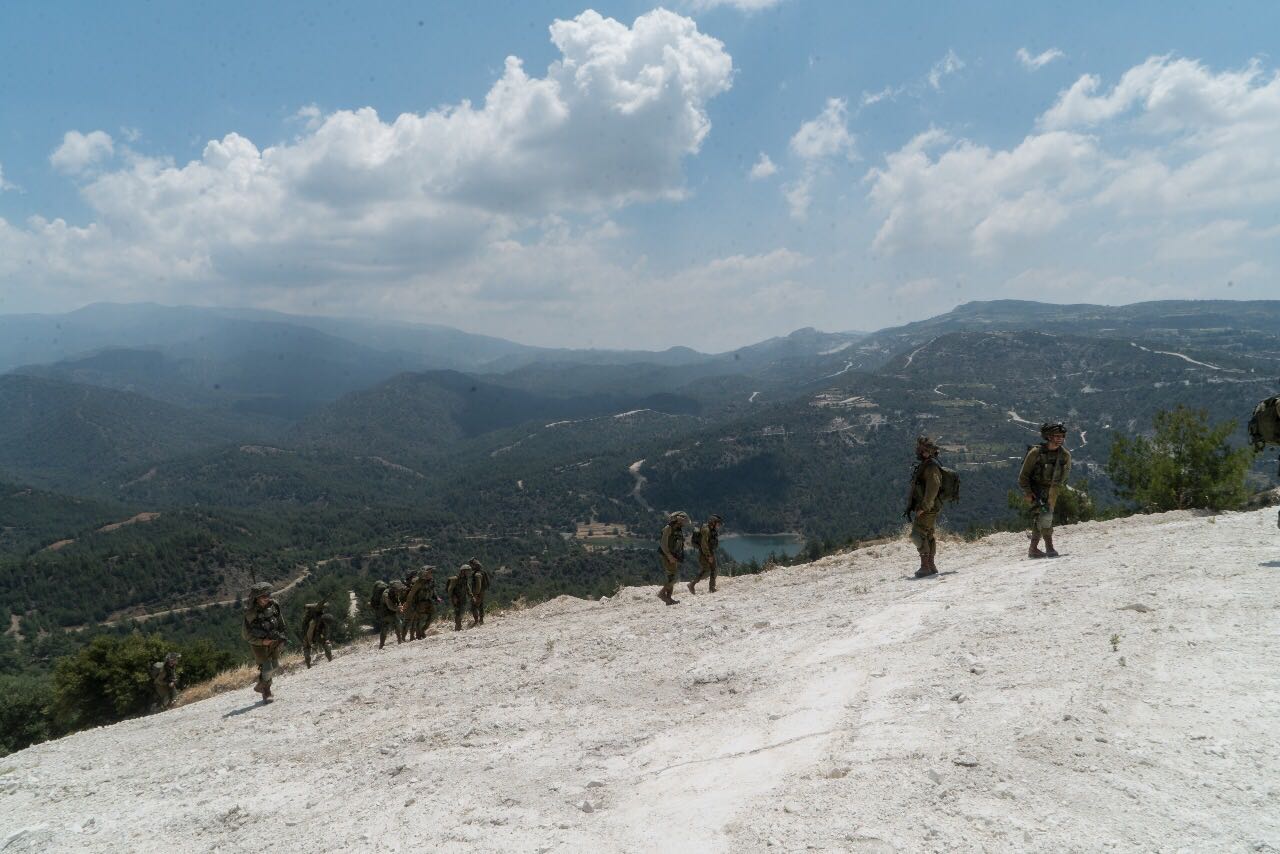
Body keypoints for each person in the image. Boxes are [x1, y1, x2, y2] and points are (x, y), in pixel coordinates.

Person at [1019, 422, 1073, 558]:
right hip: (1036, 492)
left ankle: (1033, 549)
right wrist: (1028, 492)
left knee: (1041, 518)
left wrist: (1055, 491)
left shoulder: (1065, 455)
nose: (1060, 438)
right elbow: (1023, 476)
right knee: (1046, 516)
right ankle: (1049, 547)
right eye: (1056, 436)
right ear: (1048, 437)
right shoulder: (1036, 453)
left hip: (1052, 493)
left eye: (1062, 436)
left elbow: (1064, 475)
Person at [243, 582, 287, 702]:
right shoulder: (250, 613)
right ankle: (266, 692)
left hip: (273, 640)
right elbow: (246, 635)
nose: (267, 598)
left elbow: (281, 622)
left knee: (275, 665)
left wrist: (282, 637)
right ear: (257, 598)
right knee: (267, 668)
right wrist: (262, 642)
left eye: (268, 594)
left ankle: (260, 686)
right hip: (259, 644)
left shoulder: (274, 606)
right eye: (264, 596)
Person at [907, 436, 944, 578]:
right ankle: (931, 565)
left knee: (917, 534)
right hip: (929, 507)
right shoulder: (928, 465)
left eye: (920, 448)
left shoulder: (931, 467)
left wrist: (924, 506)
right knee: (927, 534)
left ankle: (925, 566)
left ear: (926, 451)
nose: (917, 450)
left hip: (928, 508)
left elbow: (933, 488)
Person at [658, 512, 689, 605]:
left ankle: (669, 599)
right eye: (683, 521)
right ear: (678, 520)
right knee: (674, 577)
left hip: (674, 555)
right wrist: (669, 556)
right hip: (668, 555)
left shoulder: (678, 529)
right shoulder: (668, 528)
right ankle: (662, 594)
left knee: (671, 576)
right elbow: (663, 544)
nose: (685, 523)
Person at [687, 514, 723, 594]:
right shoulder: (706, 530)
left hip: (710, 552)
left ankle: (712, 588)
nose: (719, 525)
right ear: (713, 522)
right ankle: (692, 584)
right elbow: (704, 544)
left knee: (714, 569)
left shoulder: (711, 529)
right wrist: (708, 555)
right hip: (704, 553)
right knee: (706, 571)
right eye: (718, 523)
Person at [402, 566, 437, 640]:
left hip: (428, 601)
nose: (432, 574)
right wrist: (407, 604)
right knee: (417, 620)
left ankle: (422, 631)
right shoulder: (419, 582)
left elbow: (432, 590)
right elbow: (411, 594)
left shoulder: (431, 581)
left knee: (431, 615)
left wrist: (436, 597)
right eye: (430, 572)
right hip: (419, 603)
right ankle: (416, 635)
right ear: (425, 573)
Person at [301, 601, 334, 667]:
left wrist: (326, 639)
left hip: (318, 635)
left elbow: (326, 632)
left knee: (327, 646)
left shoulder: (325, 621)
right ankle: (308, 666)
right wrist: (311, 644)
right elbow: (309, 633)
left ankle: (330, 660)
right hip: (309, 635)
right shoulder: (314, 622)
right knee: (307, 649)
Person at [377, 581, 407, 648]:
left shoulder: (395, 593)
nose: (399, 591)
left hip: (392, 612)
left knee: (398, 624)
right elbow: (390, 606)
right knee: (385, 628)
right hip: (385, 613)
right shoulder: (386, 595)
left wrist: (400, 607)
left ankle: (400, 641)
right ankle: (381, 645)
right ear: (394, 589)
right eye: (398, 590)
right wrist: (398, 608)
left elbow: (398, 601)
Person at [447, 563, 472, 631]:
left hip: (463, 598)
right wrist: (453, 597)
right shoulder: (455, 579)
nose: (468, 572)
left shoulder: (465, 579)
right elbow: (450, 590)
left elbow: (467, 587)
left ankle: (458, 626)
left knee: (462, 612)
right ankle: (458, 626)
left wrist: (471, 595)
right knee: (458, 612)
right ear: (463, 571)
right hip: (456, 599)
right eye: (467, 571)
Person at [466, 558, 491, 627]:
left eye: (471, 565)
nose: (470, 567)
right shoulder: (481, 572)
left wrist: (476, 595)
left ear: (474, 565)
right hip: (482, 593)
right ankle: (481, 620)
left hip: (478, 593)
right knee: (481, 606)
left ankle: (477, 621)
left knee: (474, 606)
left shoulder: (477, 575)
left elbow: (478, 586)